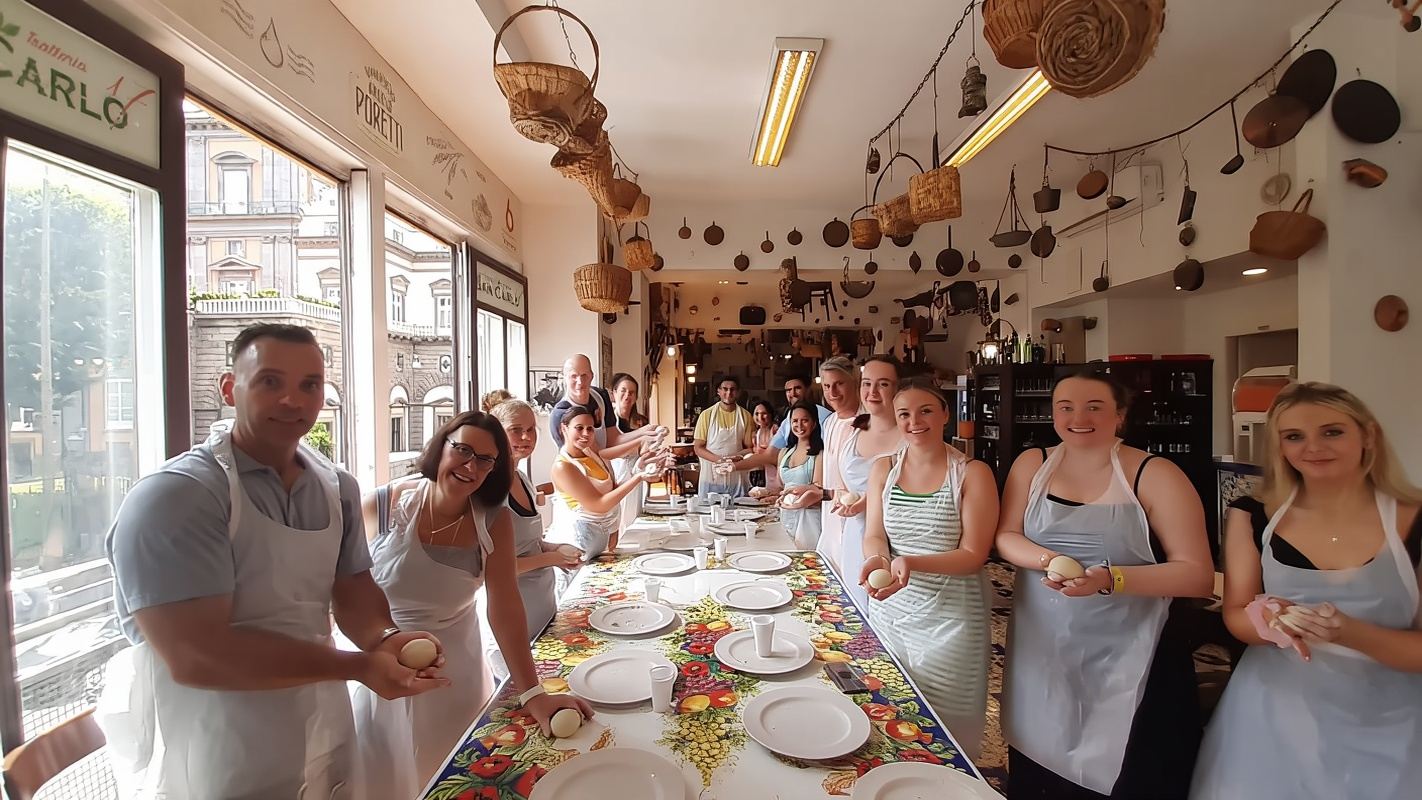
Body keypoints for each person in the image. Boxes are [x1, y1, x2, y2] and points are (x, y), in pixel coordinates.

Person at [98, 324, 446, 799]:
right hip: (213, 736)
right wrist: (358, 666)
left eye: (309, 385)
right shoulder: (178, 497)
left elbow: (353, 589)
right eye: (270, 381)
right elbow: (198, 656)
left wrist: (385, 638)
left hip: (321, 717)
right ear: (229, 388)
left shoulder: (336, 487)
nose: (292, 400)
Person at [1190, 383, 1422, 800]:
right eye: (1294, 436)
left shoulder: (1415, 518)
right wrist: (1268, 621)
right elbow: (1237, 613)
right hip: (1274, 719)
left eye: (1332, 431)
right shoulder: (1251, 515)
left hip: (1394, 723)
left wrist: (1349, 633)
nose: (1313, 447)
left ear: (1368, 435)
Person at [995, 370, 1213, 800]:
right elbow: (1006, 536)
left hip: (1130, 654)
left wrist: (1109, 579)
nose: (1079, 418)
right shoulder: (1032, 464)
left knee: (1123, 774)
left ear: (1120, 415)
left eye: (1094, 407)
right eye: (1066, 407)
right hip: (1044, 648)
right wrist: (1049, 560)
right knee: (1039, 762)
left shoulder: (1154, 473)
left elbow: (1196, 574)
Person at [351, 411, 592, 797]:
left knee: (456, 778)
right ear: (441, 446)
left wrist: (533, 694)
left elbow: (505, 606)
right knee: (386, 779)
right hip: (385, 669)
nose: (470, 466)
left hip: (456, 676)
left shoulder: (493, 520)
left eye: (484, 459)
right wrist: (379, 641)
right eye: (462, 450)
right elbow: (347, 593)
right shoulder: (382, 504)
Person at [856, 378, 997, 759]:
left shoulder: (972, 473)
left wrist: (912, 563)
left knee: (947, 729)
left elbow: (974, 554)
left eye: (926, 411)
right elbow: (874, 534)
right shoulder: (884, 469)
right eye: (904, 414)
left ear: (945, 414)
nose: (914, 422)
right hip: (891, 611)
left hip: (952, 621)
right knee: (891, 714)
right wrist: (878, 560)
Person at [481, 399, 582, 681]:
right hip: (511, 624)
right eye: (516, 430)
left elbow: (529, 542)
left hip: (542, 610)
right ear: (496, 432)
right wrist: (552, 558)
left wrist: (554, 548)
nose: (526, 437)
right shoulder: (489, 488)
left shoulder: (522, 478)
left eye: (531, 430)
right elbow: (496, 568)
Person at [824, 355, 903, 609]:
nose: (872, 392)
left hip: (894, 537)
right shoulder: (856, 429)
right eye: (867, 383)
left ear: (898, 388)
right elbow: (845, 481)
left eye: (883, 384)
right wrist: (843, 497)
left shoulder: (909, 435)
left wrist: (867, 502)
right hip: (854, 531)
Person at [550, 405, 664, 560]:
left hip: (603, 539)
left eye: (590, 429)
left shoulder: (590, 454)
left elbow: (612, 491)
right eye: (579, 428)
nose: (586, 433)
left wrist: (639, 468)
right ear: (564, 428)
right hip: (579, 544)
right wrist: (639, 477)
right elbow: (599, 505)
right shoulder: (563, 467)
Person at [548, 354, 659, 458]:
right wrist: (642, 440)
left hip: (603, 467)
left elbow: (613, 440)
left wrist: (648, 429)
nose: (580, 381)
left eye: (584, 375)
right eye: (573, 376)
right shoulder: (561, 413)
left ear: (591, 376)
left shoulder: (601, 397)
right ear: (564, 378)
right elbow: (597, 455)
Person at [693, 375, 755, 498]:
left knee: (739, 508)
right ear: (718, 391)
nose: (729, 393)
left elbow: (750, 448)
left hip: (736, 477)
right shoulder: (706, 415)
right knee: (709, 507)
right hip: (711, 477)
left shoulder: (746, 416)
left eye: (733, 389)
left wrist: (735, 458)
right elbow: (698, 447)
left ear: (738, 392)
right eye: (725, 389)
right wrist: (719, 460)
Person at [777, 401, 827, 549]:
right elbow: (781, 487)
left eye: (805, 420)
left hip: (808, 518)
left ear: (814, 423)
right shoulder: (784, 452)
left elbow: (819, 489)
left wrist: (799, 494)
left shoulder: (819, 454)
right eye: (795, 421)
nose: (799, 425)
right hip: (785, 514)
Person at [747, 399, 782, 492]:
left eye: (764, 413)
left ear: (770, 414)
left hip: (776, 473)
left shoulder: (775, 430)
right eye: (757, 414)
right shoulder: (756, 433)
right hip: (764, 476)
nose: (760, 417)